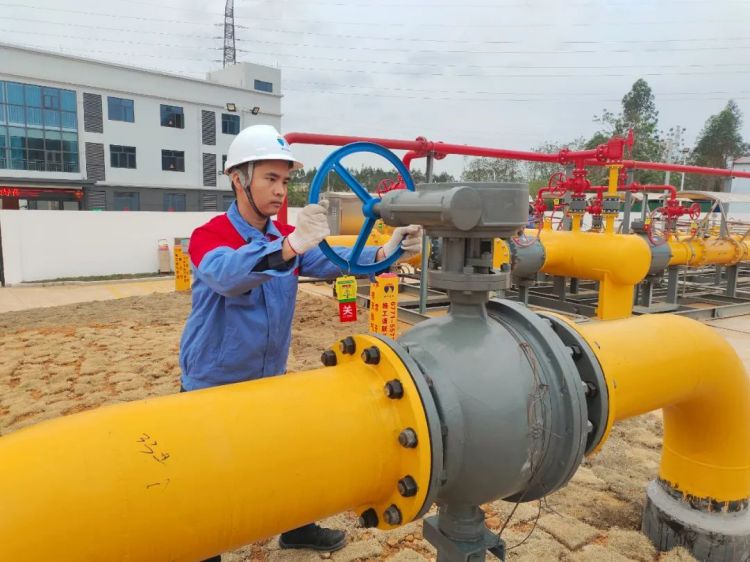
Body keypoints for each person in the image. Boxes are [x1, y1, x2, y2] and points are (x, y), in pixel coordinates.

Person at [179, 125, 422, 561]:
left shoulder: (285, 238)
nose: (280, 190)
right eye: (270, 178)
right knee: (208, 475)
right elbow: (228, 276)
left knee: (287, 456)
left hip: (268, 375)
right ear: (238, 179)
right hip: (213, 380)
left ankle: (296, 527)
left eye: (285, 180)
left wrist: (391, 250)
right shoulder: (210, 237)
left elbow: (336, 260)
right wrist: (290, 245)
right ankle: (202, 550)